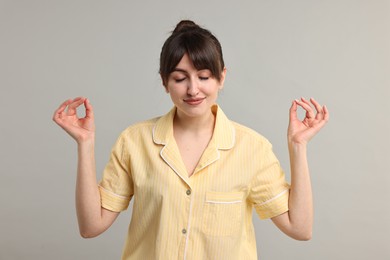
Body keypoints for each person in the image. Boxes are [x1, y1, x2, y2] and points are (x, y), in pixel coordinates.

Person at [53, 20, 329, 260]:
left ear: (222, 77)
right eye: (180, 78)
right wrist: (85, 145)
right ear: (164, 82)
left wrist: (298, 146)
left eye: (204, 76)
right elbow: (91, 226)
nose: (193, 89)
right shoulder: (134, 141)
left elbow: (300, 228)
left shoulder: (252, 148)